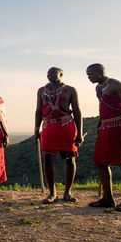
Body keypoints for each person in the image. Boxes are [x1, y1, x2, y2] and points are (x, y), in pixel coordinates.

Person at [86, 63, 121, 211]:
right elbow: (103, 107)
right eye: (87, 75)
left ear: (101, 72)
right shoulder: (98, 88)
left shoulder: (116, 84)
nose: (89, 77)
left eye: (91, 74)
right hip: (105, 127)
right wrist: (100, 122)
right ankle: (107, 198)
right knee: (100, 162)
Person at [34, 67, 83, 204]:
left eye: (53, 72)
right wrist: (36, 129)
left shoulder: (70, 90)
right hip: (48, 126)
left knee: (70, 159)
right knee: (48, 158)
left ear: (61, 74)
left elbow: (77, 111)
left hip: (66, 126)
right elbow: (38, 110)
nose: (49, 75)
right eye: (48, 72)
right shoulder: (41, 90)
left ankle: (67, 192)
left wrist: (79, 132)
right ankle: (52, 193)